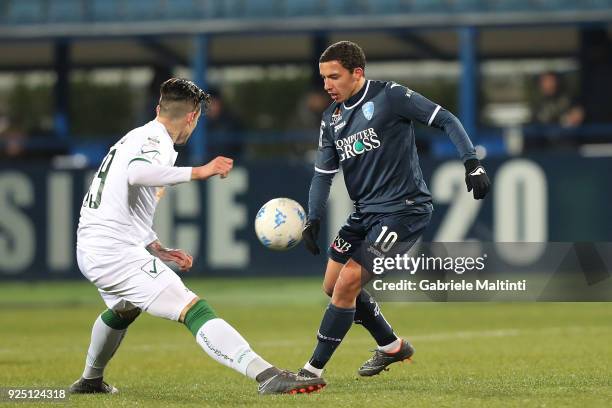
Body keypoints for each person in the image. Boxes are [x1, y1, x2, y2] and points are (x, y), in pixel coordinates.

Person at [69, 78, 325, 396]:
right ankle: (267, 375)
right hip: (111, 250)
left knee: (125, 307)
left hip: (96, 245)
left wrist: (154, 246)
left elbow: (123, 197)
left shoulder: (136, 137)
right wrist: (199, 171)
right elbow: (137, 174)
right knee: (193, 308)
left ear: (158, 108)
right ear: (193, 117)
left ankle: (91, 380)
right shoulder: (156, 140)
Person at [297, 41, 491, 380]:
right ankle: (391, 346)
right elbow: (322, 175)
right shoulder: (331, 119)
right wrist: (313, 217)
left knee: (347, 283)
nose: (327, 85)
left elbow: (445, 118)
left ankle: (311, 370)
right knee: (331, 286)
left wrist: (472, 163)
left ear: (357, 73)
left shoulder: (390, 97)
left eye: (334, 76)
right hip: (365, 212)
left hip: (404, 210)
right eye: (323, 77)